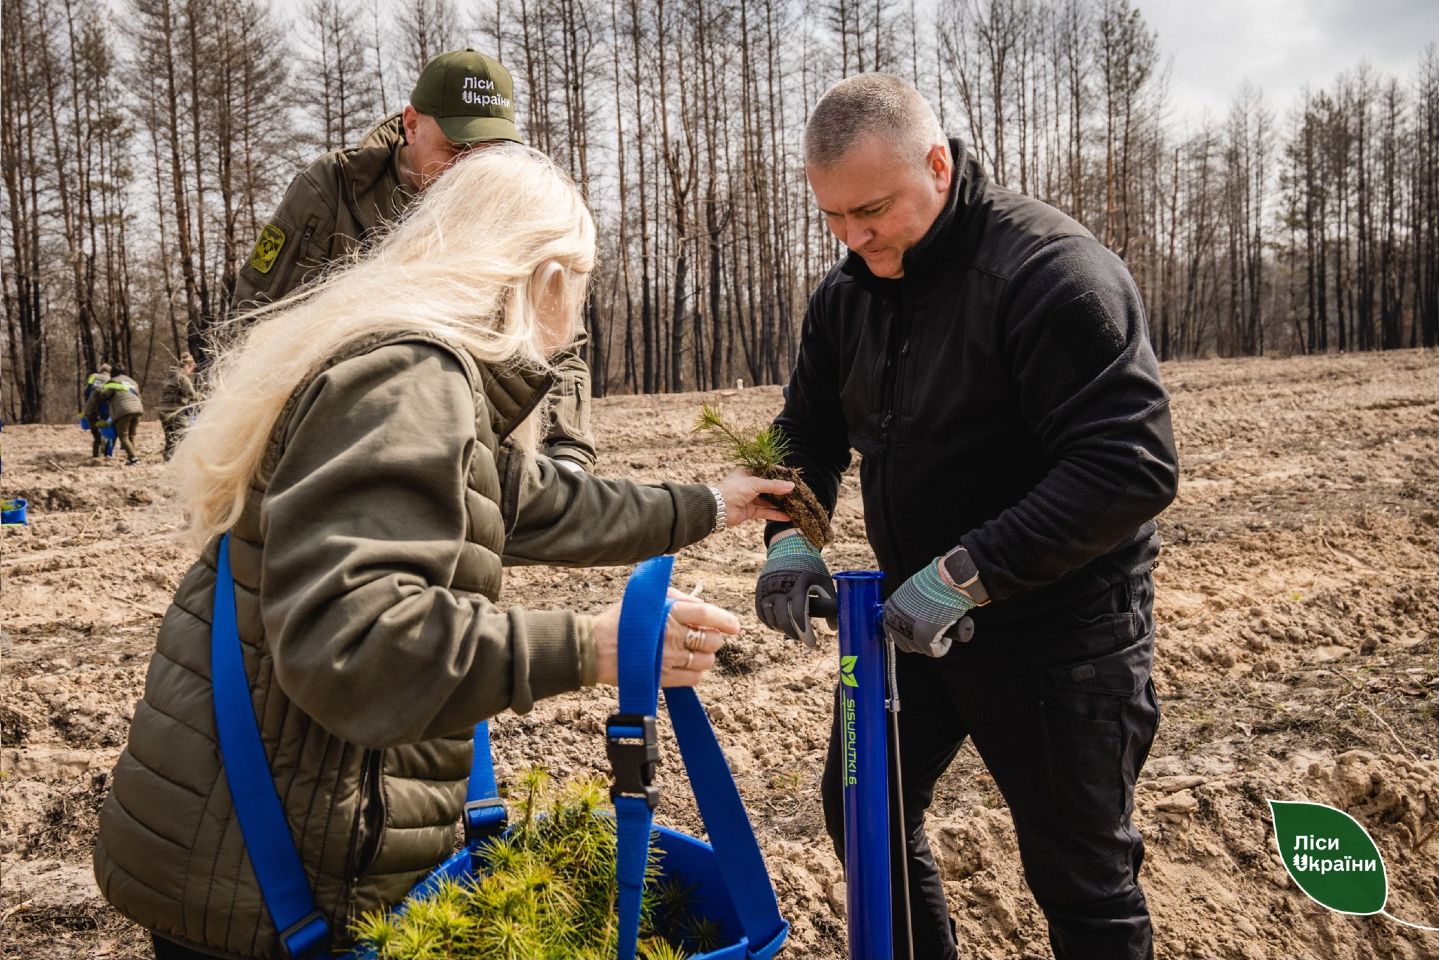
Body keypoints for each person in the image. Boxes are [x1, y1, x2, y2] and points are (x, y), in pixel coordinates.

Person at [93, 145, 794, 960]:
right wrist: (593, 646)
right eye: (582, 284)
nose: (578, 319)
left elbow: (533, 499)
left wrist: (709, 506)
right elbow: (353, 643)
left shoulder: (414, 370)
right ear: (546, 279)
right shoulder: (407, 382)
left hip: (253, 837)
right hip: (262, 875)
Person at [753, 75, 1180, 960]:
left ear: (937, 165)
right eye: (832, 217)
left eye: (870, 209)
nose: (852, 237)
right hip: (906, 629)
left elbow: (1127, 467)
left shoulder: (1048, 277)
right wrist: (791, 536)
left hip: (1056, 636)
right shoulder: (848, 296)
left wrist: (966, 576)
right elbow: (804, 431)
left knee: (1080, 878)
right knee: (863, 815)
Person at [221, 48, 597, 473]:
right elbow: (258, 319)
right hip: (334, 441)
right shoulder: (333, 191)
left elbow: (558, 347)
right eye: (455, 149)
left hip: (470, 447)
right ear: (411, 124)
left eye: (489, 151)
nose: (467, 170)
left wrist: (568, 454)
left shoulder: (512, 208)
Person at [85, 364, 144, 465]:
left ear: (113, 373)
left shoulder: (113, 381)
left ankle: (134, 458)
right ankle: (131, 457)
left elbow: (100, 394)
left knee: (123, 436)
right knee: (132, 436)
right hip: (138, 409)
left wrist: (90, 410)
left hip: (124, 411)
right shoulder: (133, 382)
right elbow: (138, 397)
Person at [157, 353, 198, 461]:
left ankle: (168, 459)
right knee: (185, 435)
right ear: (188, 366)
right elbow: (192, 395)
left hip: (163, 410)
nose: (192, 372)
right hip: (175, 410)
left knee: (170, 437)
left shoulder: (171, 377)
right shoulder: (182, 378)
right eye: (192, 368)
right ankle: (187, 459)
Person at [83, 362, 112, 457]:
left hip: (92, 407)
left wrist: (88, 403)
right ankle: (108, 454)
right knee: (108, 430)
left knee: (96, 434)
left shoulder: (93, 376)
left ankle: (96, 455)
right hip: (106, 408)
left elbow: (87, 391)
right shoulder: (111, 379)